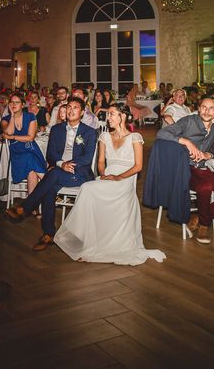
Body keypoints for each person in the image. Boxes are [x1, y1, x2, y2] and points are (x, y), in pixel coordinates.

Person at [55, 105, 165, 264]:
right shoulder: (104, 137)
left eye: (112, 114)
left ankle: (96, 241)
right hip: (108, 177)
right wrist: (104, 174)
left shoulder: (135, 137)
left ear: (123, 116)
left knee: (88, 189)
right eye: (108, 115)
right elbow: (100, 162)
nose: (109, 118)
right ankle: (87, 240)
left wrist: (118, 177)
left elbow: (138, 166)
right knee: (87, 188)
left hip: (125, 180)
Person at [5, 98, 97, 251]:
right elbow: (51, 155)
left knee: (52, 175)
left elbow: (87, 158)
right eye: (68, 107)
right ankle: (48, 234)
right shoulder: (57, 129)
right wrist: (62, 164)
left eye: (75, 108)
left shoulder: (89, 132)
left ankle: (26, 207)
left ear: (81, 113)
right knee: (49, 187)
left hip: (79, 174)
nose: (71, 110)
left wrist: (69, 165)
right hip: (60, 171)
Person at [156, 96, 214, 244]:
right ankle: (204, 226)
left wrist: (207, 155)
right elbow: (162, 133)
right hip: (184, 169)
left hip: (204, 168)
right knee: (206, 187)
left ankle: (199, 218)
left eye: (211, 108)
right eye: (204, 107)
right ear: (198, 108)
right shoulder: (189, 120)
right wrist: (186, 141)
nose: (207, 111)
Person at [1, 93, 47, 196]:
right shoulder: (5, 119)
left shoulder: (30, 117)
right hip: (17, 153)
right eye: (12, 102)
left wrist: (12, 138)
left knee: (31, 170)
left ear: (22, 105)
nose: (14, 104)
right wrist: (12, 115)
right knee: (30, 161)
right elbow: (9, 132)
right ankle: (51, 184)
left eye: (17, 102)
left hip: (31, 149)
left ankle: (31, 206)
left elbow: (30, 138)